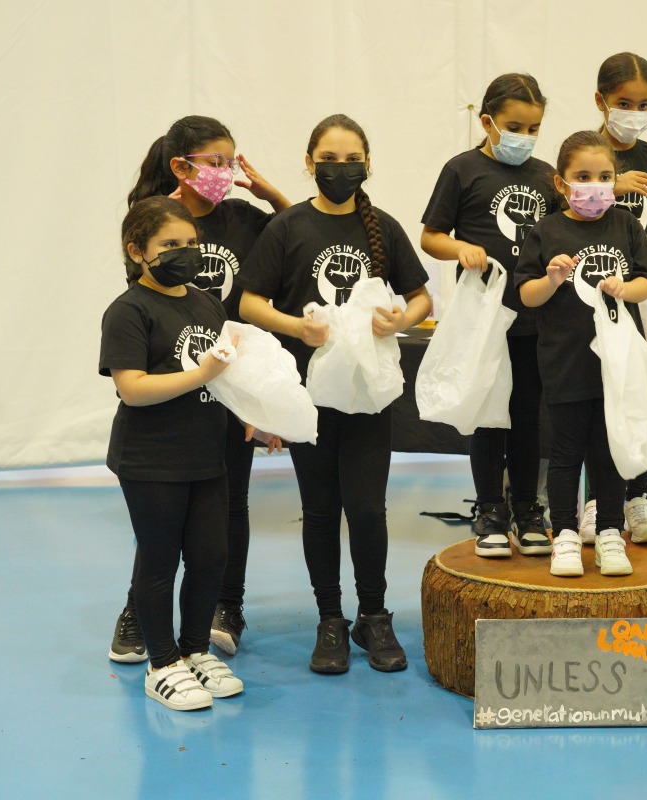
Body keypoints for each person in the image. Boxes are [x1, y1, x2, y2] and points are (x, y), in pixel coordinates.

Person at [238, 114, 431, 674]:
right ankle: (330, 619)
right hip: (308, 397)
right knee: (320, 509)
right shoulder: (289, 227)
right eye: (329, 158)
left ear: (367, 165)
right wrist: (298, 328)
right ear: (309, 161)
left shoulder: (385, 227)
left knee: (368, 508)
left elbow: (421, 299)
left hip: (368, 396)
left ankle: (374, 615)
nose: (339, 169)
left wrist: (399, 322)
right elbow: (250, 302)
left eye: (351, 160)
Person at [108, 116, 290, 665]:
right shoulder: (158, 221)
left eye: (231, 160)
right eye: (215, 161)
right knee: (163, 516)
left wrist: (270, 192)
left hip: (229, 384)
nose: (226, 172)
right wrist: (194, 374)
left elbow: (300, 233)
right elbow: (146, 319)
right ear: (181, 166)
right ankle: (141, 612)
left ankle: (224, 607)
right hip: (179, 380)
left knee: (226, 509)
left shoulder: (242, 218)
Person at [101, 197, 251, 710]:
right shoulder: (128, 310)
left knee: (212, 556)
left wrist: (252, 411)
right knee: (160, 558)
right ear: (137, 251)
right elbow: (133, 388)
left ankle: (194, 651)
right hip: (151, 459)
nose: (185, 253)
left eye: (190, 243)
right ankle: (161, 663)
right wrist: (202, 376)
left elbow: (229, 370)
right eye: (170, 245)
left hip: (207, 453)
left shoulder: (208, 302)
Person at [420, 73, 558, 558]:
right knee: (487, 414)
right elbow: (430, 236)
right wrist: (461, 248)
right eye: (514, 126)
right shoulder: (462, 170)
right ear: (487, 122)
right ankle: (489, 510)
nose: (525, 136)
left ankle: (527, 508)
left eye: (535, 127)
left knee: (526, 416)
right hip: (483, 319)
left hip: (534, 317)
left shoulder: (546, 175)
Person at [516, 131, 647, 578]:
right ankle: (564, 536)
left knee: (608, 453)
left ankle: (611, 533)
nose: (594, 185)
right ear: (562, 184)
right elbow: (527, 295)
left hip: (616, 368)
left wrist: (626, 288)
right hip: (564, 363)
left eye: (604, 176)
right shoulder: (545, 231)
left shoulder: (626, 226)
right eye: (583, 177)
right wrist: (553, 279)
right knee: (565, 455)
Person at [578, 52, 647, 545]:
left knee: (636, 395)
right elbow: (565, 207)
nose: (634, 113)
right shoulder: (584, 153)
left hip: (638, 297)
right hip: (589, 298)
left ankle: (638, 496)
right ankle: (599, 500)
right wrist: (611, 185)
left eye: (643, 104)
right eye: (624, 103)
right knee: (596, 401)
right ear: (601, 101)